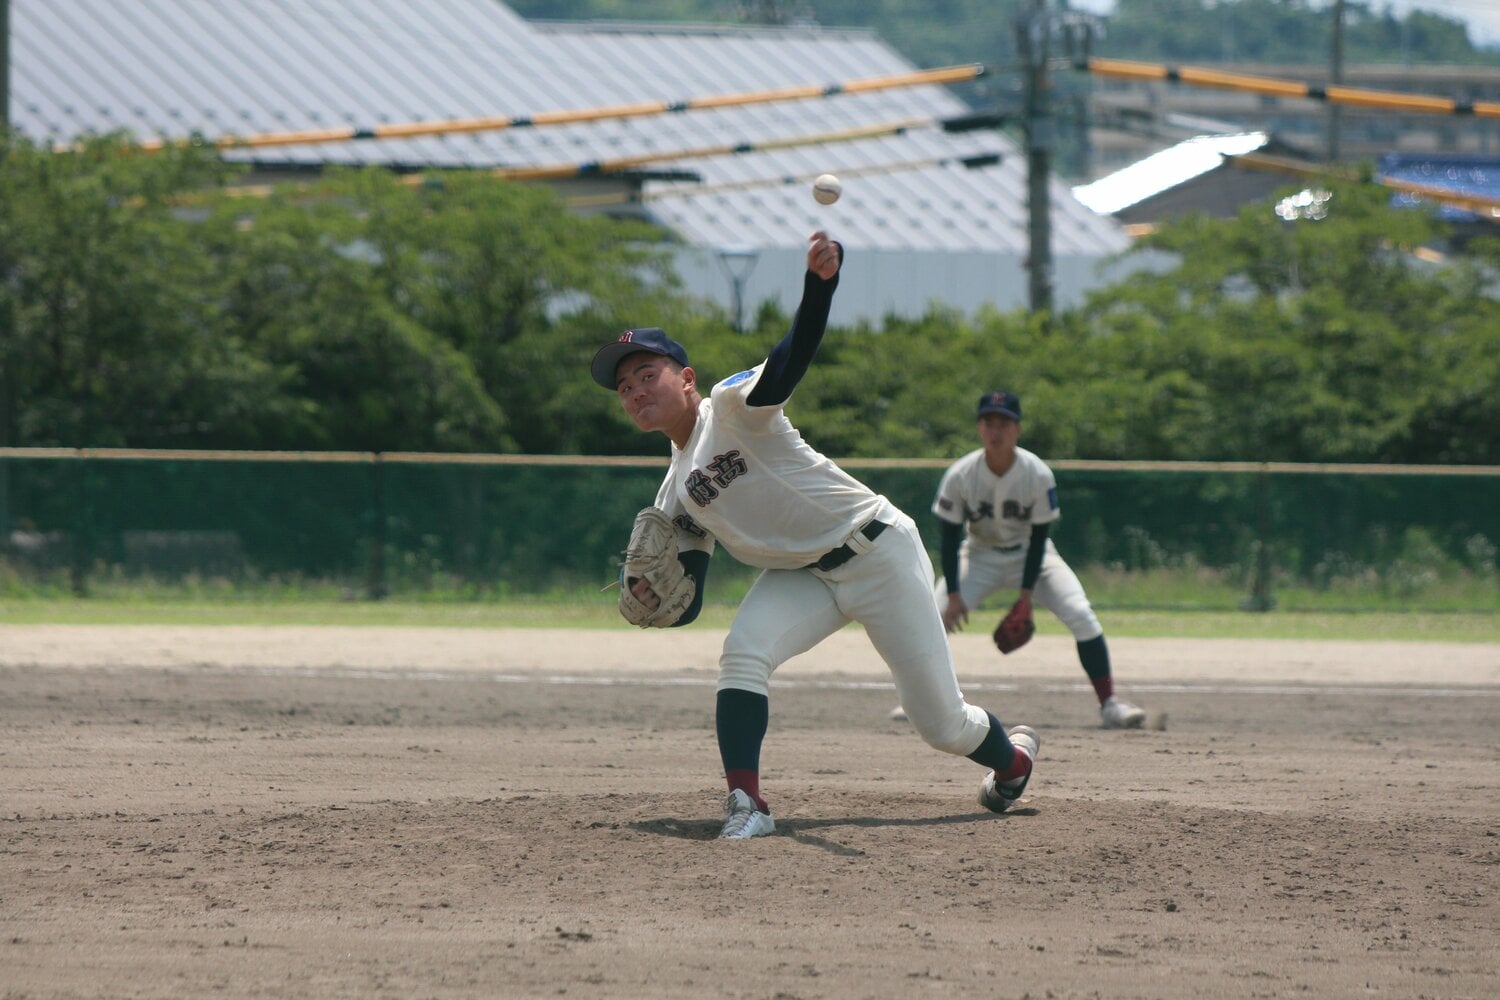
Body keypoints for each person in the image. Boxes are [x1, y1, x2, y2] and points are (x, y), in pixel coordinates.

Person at [589, 231, 1040, 840]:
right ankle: (747, 804)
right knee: (742, 653)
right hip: (805, 576)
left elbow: (790, 358)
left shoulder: (730, 407)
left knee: (942, 726)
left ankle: (1014, 761)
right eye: (624, 388)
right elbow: (690, 598)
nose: (636, 391)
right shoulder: (672, 497)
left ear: (687, 377)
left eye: (646, 374)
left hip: (877, 551)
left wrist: (817, 288)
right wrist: (654, 602)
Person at [891, 390, 1146, 729]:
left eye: (1004, 423)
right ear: (980, 428)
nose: (996, 431)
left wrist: (1026, 596)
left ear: (1018, 430)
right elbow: (949, 538)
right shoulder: (961, 475)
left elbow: (1040, 537)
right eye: (989, 422)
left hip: (1034, 557)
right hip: (978, 555)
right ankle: (920, 703)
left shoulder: (1037, 473)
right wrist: (954, 595)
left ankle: (1110, 705)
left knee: (1082, 614)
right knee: (933, 617)